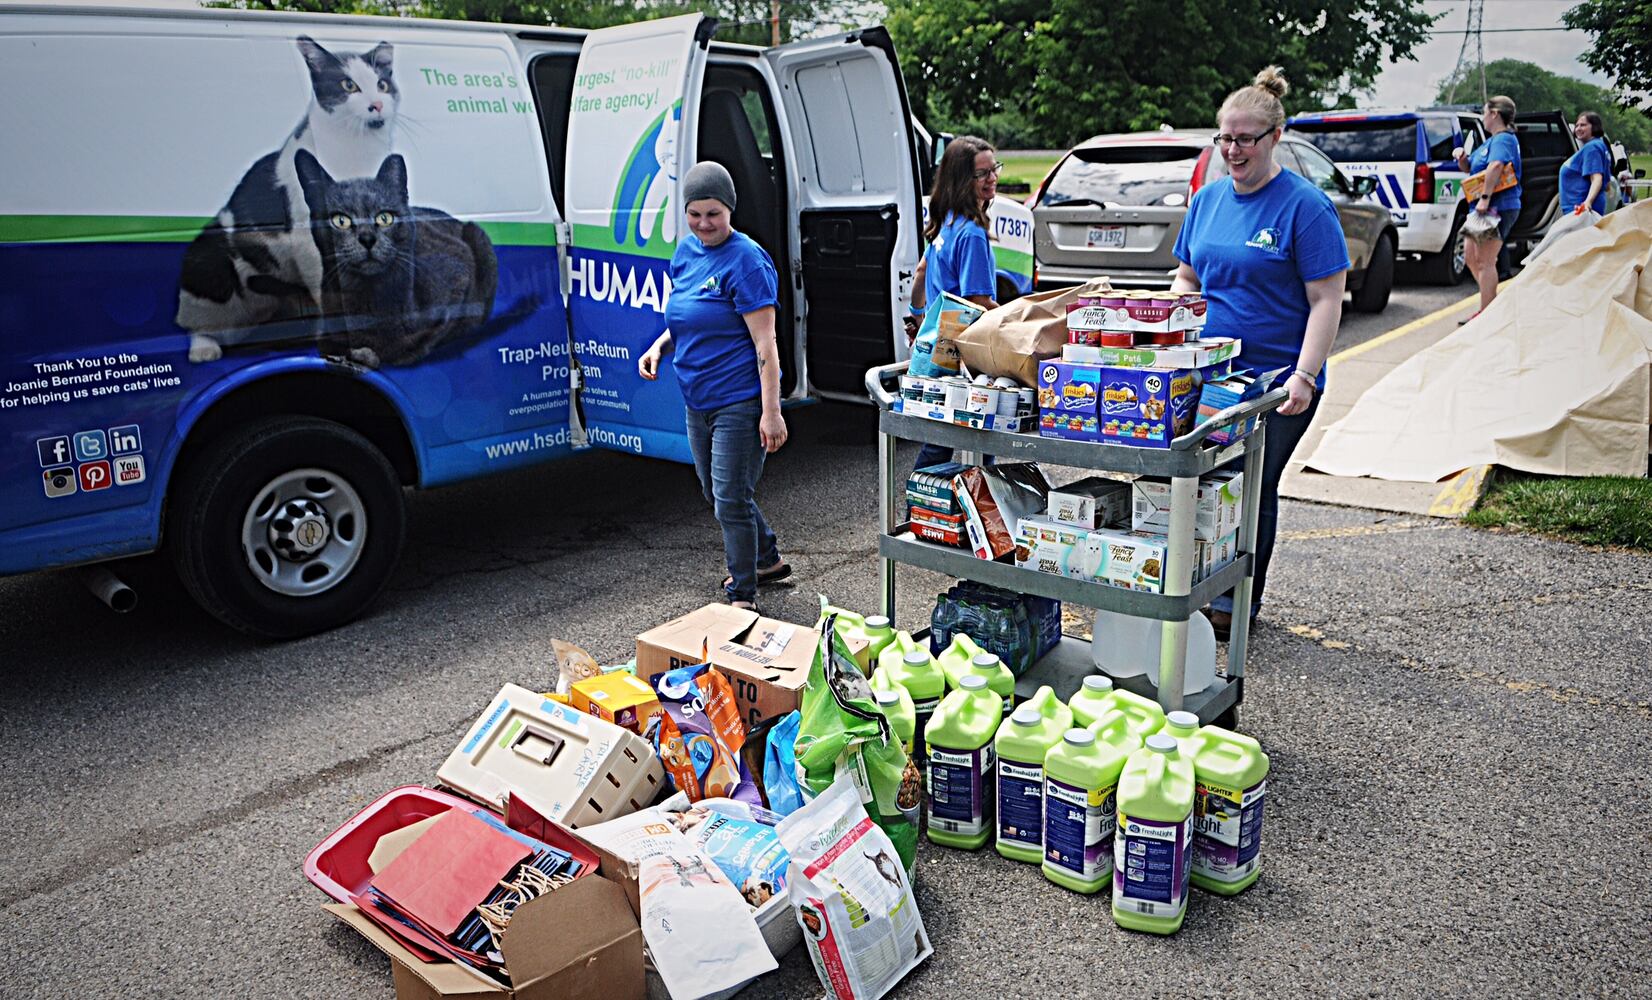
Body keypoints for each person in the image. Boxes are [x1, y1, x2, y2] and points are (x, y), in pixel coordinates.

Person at [1169, 66, 1349, 640]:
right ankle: (1194, 586)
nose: (1232, 149)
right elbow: (1187, 278)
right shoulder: (1207, 200)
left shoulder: (1305, 207)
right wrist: (1172, 333)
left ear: (1275, 138)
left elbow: (1327, 300)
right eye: (1224, 137)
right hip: (1210, 373)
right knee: (1200, 482)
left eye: (1246, 138)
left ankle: (1237, 604)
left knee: (1250, 484)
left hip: (1276, 380)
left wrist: (1305, 374)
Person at [639, 161, 789, 611]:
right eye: (695, 213)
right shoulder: (686, 253)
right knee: (716, 493)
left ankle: (743, 592)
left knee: (728, 498)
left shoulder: (746, 262)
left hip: (738, 401)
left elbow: (765, 343)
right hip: (696, 399)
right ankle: (766, 556)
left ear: (730, 210)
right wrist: (660, 345)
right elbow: (690, 316)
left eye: (714, 214)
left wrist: (772, 411)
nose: (704, 224)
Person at [908, 136, 1001, 472]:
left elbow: (921, 272)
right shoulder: (973, 234)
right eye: (982, 174)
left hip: (939, 351)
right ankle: (973, 511)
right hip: (966, 354)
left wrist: (918, 318)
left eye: (994, 169)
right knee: (984, 442)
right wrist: (1018, 319)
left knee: (939, 440)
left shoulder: (945, 220)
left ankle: (919, 509)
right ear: (962, 180)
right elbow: (978, 302)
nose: (992, 179)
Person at [1452, 96, 1522, 318]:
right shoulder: (1489, 142)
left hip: (1495, 206)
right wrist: (1462, 158)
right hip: (1481, 208)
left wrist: (1484, 197)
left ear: (1494, 114)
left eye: (1484, 113)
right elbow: (1470, 168)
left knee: (1485, 260)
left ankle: (1488, 314)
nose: (1482, 118)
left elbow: (1496, 166)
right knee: (1471, 257)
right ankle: (1490, 305)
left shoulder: (1503, 139)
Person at [1560, 111, 1612, 217]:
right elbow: (1606, 185)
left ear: (1594, 127)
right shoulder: (1599, 145)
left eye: (1583, 125)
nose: (1578, 128)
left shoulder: (1592, 148)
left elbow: (1597, 178)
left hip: (1581, 210)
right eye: (1577, 125)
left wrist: (1587, 202)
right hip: (1581, 209)